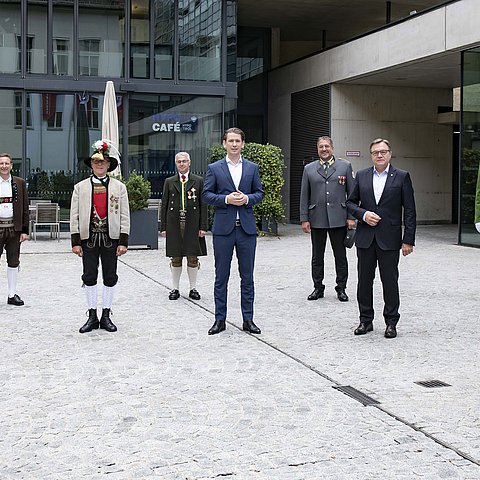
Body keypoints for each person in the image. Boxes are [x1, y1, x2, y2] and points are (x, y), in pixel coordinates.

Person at [346, 138, 416, 339]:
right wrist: (363, 214)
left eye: (383, 151)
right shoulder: (362, 176)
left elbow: (410, 210)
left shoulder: (402, 177)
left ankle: (391, 322)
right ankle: (365, 320)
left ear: (390, 154)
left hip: (390, 238)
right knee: (364, 281)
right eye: (376, 152)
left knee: (390, 282)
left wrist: (408, 239)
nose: (380, 155)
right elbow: (350, 203)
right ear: (371, 155)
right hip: (366, 238)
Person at [202, 127, 264, 335]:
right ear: (224, 143)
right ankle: (220, 319)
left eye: (238, 141)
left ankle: (248, 319)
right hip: (223, 230)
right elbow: (207, 195)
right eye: (231, 141)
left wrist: (247, 198)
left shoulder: (252, 168)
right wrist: (226, 199)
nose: (235, 144)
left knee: (247, 277)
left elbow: (259, 193)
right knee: (221, 277)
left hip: (246, 230)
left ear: (243, 144)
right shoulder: (215, 168)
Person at [70, 140, 130, 334]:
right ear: (91, 165)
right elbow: (74, 215)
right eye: (96, 162)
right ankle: (91, 315)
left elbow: (124, 214)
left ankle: (106, 314)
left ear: (108, 165)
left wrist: (123, 241)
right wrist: (75, 241)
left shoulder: (119, 187)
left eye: (103, 162)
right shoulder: (80, 187)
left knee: (110, 276)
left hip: (110, 238)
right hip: (88, 238)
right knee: (89, 275)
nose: (100, 165)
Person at [300, 136, 355, 302]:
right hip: (317, 218)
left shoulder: (344, 166)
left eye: (327, 146)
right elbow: (304, 195)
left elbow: (352, 194)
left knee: (340, 256)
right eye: (321, 147)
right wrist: (304, 218)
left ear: (332, 148)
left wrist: (351, 217)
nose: (324, 149)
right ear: (317, 149)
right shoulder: (309, 169)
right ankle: (318, 287)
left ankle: (341, 288)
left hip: (339, 218)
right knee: (317, 256)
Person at [160, 151, 207, 301]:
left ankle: (193, 288)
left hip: (192, 223)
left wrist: (203, 226)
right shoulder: (169, 181)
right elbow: (164, 205)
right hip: (174, 223)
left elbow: (203, 205)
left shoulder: (198, 181)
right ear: (176, 164)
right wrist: (163, 226)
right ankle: (175, 288)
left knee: (193, 257)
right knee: (176, 257)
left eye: (184, 161)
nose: (182, 164)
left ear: (189, 163)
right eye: (179, 161)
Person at [0, 153, 29, 306]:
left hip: (14, 228)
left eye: (6, 163)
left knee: (13, 261)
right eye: (1, 163)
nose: (4, 166)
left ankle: (12, 294)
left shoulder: (19, 183)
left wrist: (25, 230)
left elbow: (25, 207)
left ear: (11, 165)